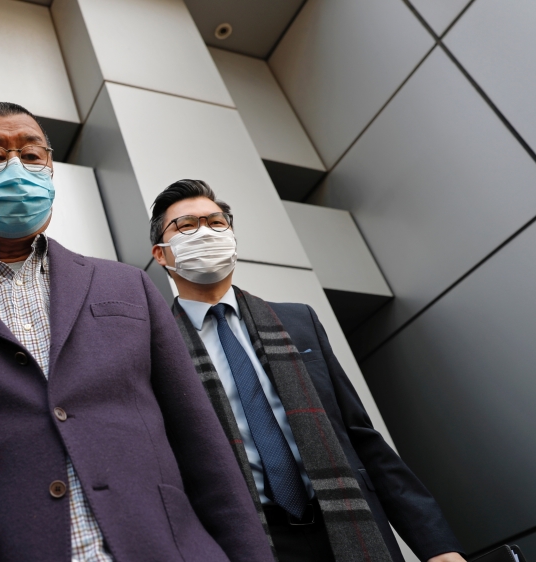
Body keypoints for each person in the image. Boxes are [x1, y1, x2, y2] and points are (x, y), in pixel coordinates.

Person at [0, 102, 274, 562]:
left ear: (51, 175)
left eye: (33, 156)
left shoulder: (128, 285)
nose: (17, 169)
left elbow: (202, 446)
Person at [149, 179, 466, 562]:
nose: (206, 233)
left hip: (348, 521)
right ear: (161, 254)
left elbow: (361, 438)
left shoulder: (298, 321)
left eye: (217, 222)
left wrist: (437, 547)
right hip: (249, 540)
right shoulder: (156, 349)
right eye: (186, 226)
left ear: (231, 238)